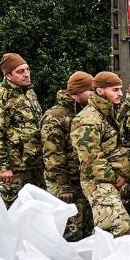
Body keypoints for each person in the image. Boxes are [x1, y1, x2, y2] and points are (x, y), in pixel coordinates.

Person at [70, 72, 130, 237]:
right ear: (99, 91)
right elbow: (91, 160)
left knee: (114, 228)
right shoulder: (88, 119)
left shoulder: (108, 113)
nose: (120, 93)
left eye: (120, 89)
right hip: (98, 181)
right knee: (118, 227)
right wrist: (115, 178)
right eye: (115, 89)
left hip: (110, 180)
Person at [41, 71, 94, 241]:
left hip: (79, 179)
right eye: (90, 90)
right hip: (64, 183)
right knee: (70, 229)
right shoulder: (56, 116)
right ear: (78, 92)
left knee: (86, 227)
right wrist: (63, 185)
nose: (93, 94)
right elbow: (52, 153)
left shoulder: (83, 112)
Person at [0, 53, 44, 207]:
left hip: (36, 165)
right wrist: (3, 167)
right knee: (9, 208)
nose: (26, 74)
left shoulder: (29, 93)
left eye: (27, 70)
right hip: (15, 169)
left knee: (33, 209)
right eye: (20, 71)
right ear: (8, 75)